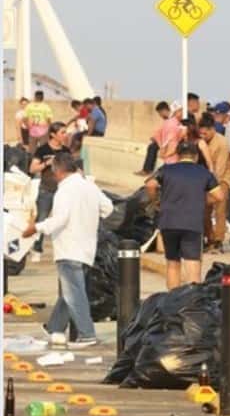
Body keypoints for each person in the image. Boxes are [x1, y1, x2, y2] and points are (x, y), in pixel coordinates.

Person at [22, 153, 113, 348]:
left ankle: (87, 334)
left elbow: (60, 219)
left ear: (58, 171)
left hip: (69, 247)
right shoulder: (90, 186)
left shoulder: (64, 191)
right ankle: (54, 327)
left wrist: (36, 228)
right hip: (87, 247)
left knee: (74, 293)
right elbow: (108, 208)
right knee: (71, 291)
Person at [146, 142, 223, 289]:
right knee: (192, 264)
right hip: (192, 223)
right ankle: (192, 302)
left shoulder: (166, 169)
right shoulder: (204, 172)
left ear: (178, 155)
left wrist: (156, 201)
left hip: (169, 222)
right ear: (196, 156)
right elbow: (219, 196)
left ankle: (172, 300)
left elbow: (150, 184)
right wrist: (202, 199)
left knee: (172, 263)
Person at [29, 122, 72, 262]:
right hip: (46, 191)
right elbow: (32, 169)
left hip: (64, 192)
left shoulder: (66, 151)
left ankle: (65, 250)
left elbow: (73, 169)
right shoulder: (42, 150)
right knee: (42, 219)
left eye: (66, 132)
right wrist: (46, 164)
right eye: (63, 133)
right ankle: (36, 249)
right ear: (53, 134)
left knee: (66, 221)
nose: (66, 135)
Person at [199, 114, 230, 252]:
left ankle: (219, 239)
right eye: (200, 133)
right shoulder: (201, 141)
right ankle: (210, 238)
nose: (202, 135)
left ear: (212, 129)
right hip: (205, 180)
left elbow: (220, 168)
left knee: (220, 210)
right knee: (204, 211)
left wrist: (211, 186)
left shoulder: (222, 142)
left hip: (222, 179)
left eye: (205, 133)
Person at [135, 101, 171, 176]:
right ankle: (147, 169)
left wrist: (160, 141)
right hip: (165, 140)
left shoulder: (172, 119)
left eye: (160, 113)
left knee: (152, 147)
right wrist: (155, 138)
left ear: (164, 110)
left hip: (171, 141)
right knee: (152, 146)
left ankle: (147, 170)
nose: (160, 115)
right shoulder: (167, 120)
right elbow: (161, 131)